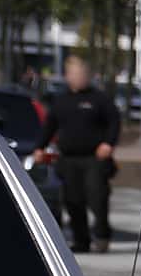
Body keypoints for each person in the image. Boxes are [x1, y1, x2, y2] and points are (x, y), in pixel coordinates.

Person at [39, 55, 121, 254]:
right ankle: (81, 240)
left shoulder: (99, 99)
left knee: (97, 197)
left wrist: (108, 144)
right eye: (74, 73)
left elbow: (114, 122)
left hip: (94, 158)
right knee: (72, 200)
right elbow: (49, 126)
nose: (78, 77)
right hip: (69, 158)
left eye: (82, 73)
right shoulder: (61, 101)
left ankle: (102, 236)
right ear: (67, 76)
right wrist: (39, 147)